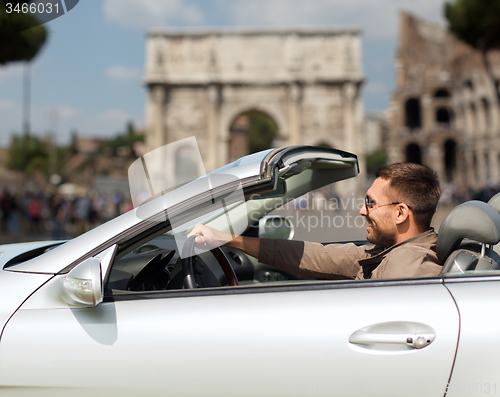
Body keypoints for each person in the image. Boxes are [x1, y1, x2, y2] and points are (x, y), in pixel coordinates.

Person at [188, 163, 443, 280]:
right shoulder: (388, 253)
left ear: (400, 213)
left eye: (371, 203)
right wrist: (228, 239)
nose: (362, 211)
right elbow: (316, 255)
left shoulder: (409, 267)